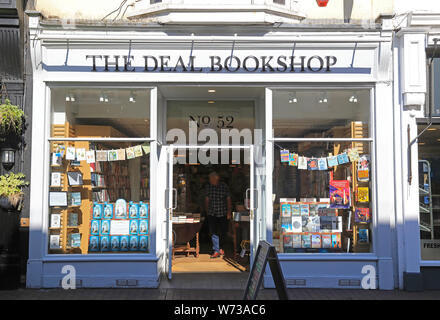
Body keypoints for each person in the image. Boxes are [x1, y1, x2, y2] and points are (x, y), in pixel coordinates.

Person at [205, 171, 232, 259]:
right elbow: (207, 199)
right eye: (210, 179)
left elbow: (228, 199)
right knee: (213, 232)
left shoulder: (224, 186)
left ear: (217, 179)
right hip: (212, 213)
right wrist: (207, 211)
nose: (210, 181)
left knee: (223, 232)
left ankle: (220, 248)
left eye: (212, 179)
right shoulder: (209, 187)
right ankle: (216, 250)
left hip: (223, 212)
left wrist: (229, 212)